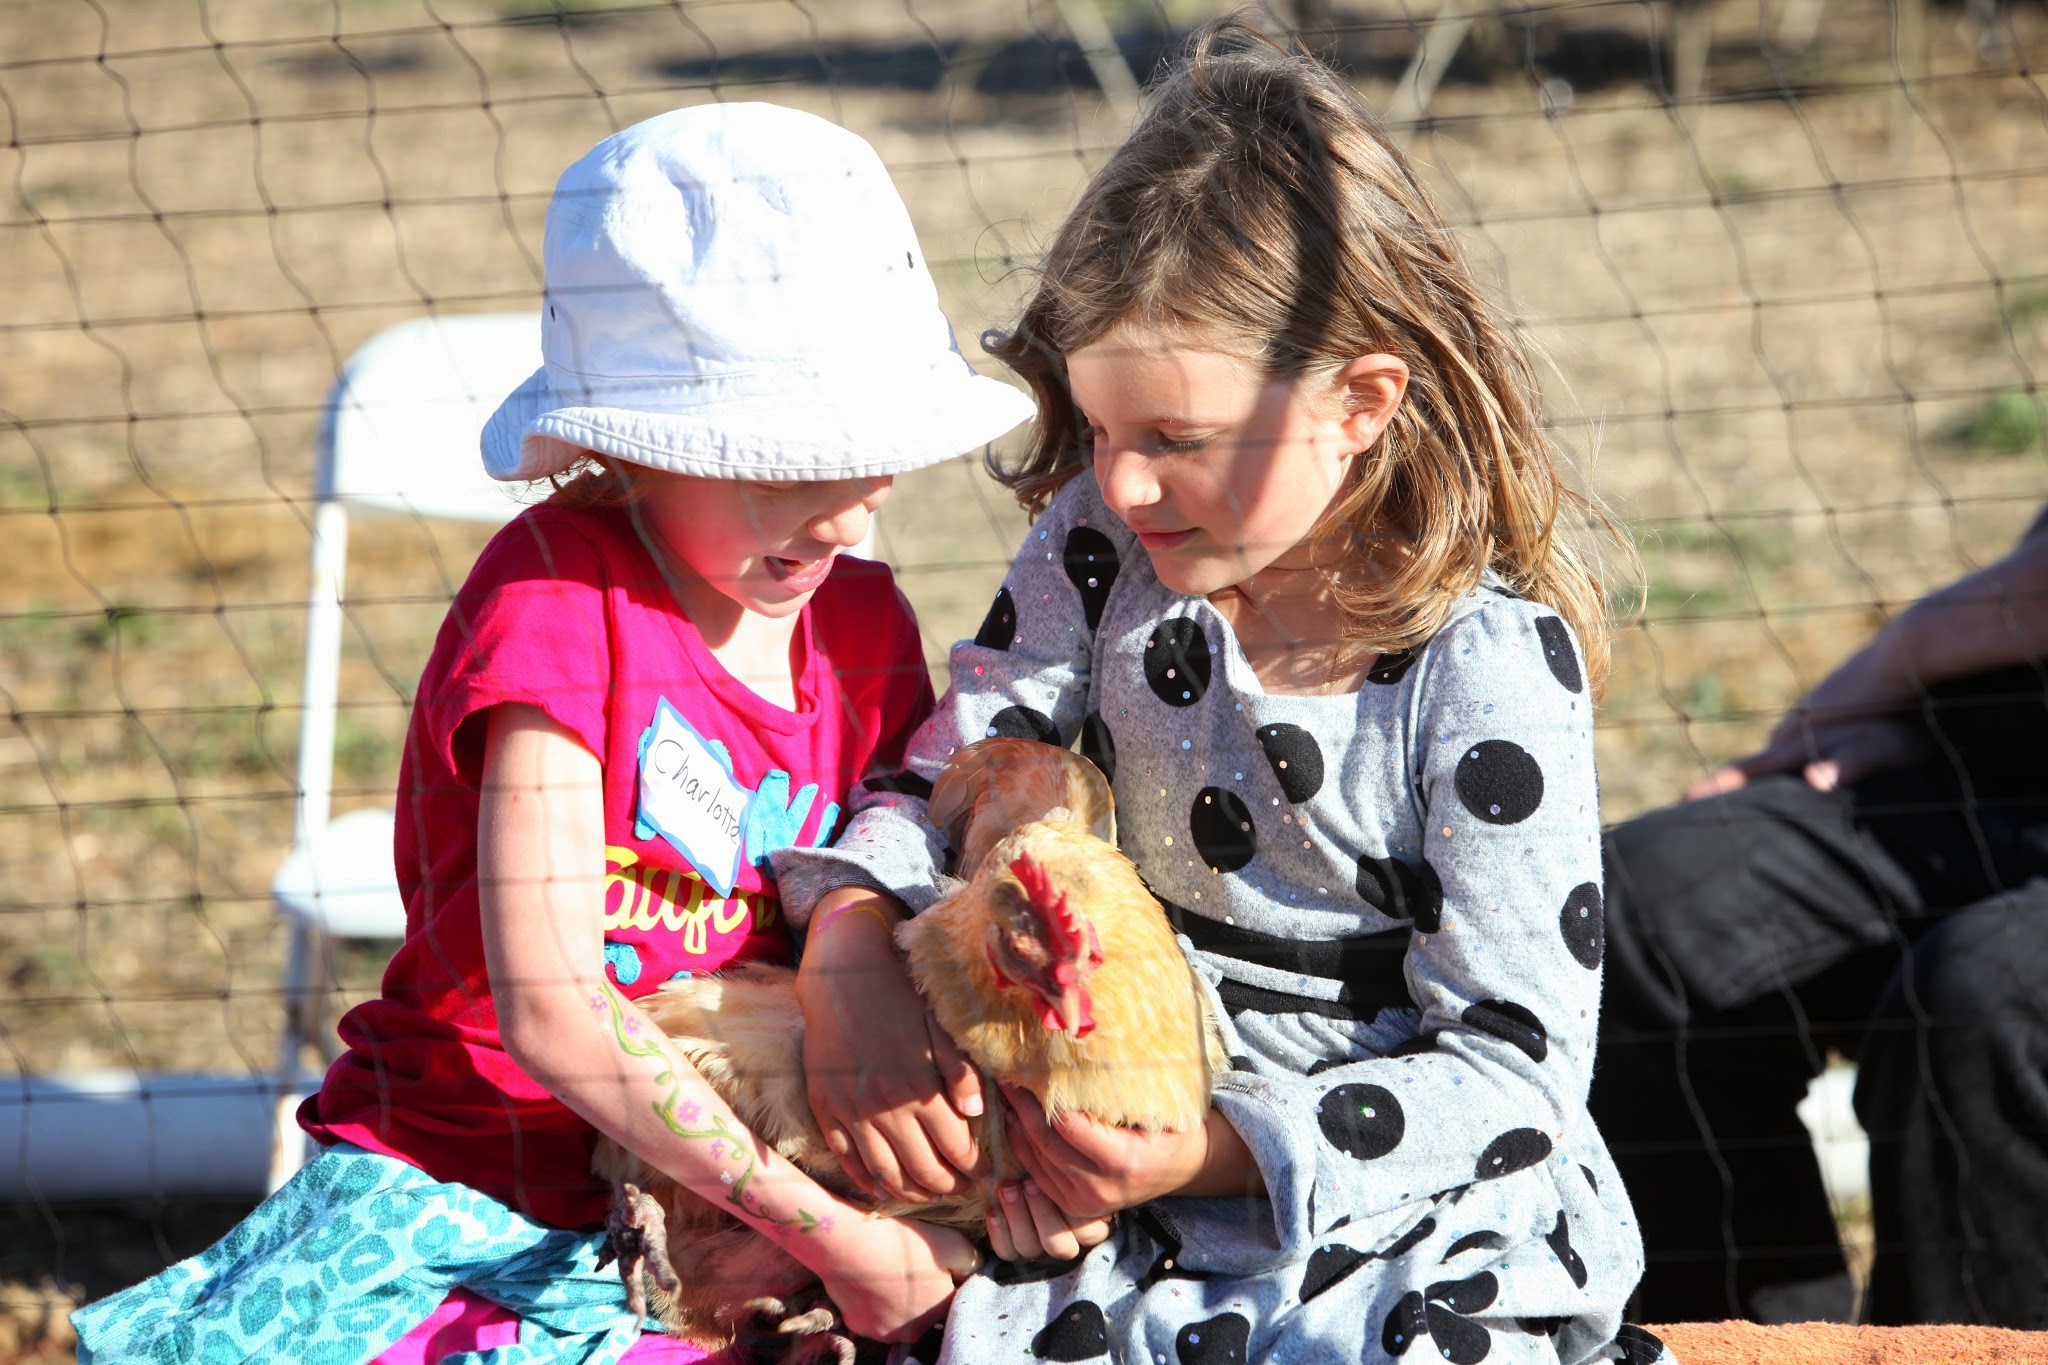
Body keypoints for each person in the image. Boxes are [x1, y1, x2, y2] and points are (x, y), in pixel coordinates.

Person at [775, 21, 1677, 1365]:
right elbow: (953, 774)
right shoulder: (1099, 548)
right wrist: (848, 934)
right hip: (1091, 1146)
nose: (1123, 481)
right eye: (1101, 429)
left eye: (1176, 439)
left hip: (1373, 1196)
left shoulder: (1483, 668)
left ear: (1360, 402)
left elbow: (1512, 1067)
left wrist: (1202, 1152)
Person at [70, 102, 1031, 1364]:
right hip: (494, 1184)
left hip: (729, 1186)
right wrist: (839, 1243)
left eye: (872, 463)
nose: (848, 518)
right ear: (639, 444)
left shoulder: (858, 621)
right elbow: (554, 1010)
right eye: (785, 468)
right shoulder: (559, 604)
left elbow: (874, 869)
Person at [1589, 506, 2048, 1329]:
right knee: (1643, 911)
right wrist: (1942, 708)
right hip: (2004, 770)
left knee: (1986, 999)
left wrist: (1913, 650)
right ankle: (1750, 1343)